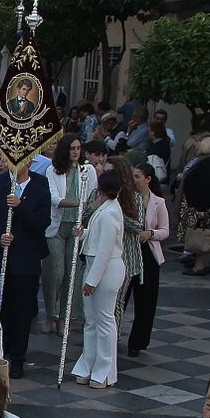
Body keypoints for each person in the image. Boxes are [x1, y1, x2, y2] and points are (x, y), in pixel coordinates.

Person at [0, 156, 52, 379]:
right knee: (1, 309)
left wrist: (20, 207)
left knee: (22, 311)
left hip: (26, 260)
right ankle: (0, 353)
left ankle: (18, 357)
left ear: (29, 162)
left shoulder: (40, 185)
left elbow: (42, 223)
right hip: (1, 259)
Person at [70, 167, 128, 389]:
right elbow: (98, 237)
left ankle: (104, 371)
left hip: (105, 269)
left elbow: (105, 249)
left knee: (104, 321)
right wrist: (83, 234)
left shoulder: (111, 211)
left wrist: (92, 281)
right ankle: (87, 365)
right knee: (92, 321)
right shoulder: (105, 208)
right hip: (96, 265)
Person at [42, 136, 94, 335]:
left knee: (72, 274)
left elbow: (92, 195)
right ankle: (50, 313)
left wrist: (85, 209)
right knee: (55, 272)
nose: (76, 152)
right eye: (72, 148)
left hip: (77, 227)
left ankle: (65, 317)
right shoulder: (52, 170)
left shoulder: (87, 170)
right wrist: (78, 203)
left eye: (79, 148)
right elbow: (54, 198)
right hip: (57, 227)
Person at [126, 163, 170, 357]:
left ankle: (137, 342)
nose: (134, 180)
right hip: (129, 253)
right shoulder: (127, 199)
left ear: (148, 179)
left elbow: (165, 230)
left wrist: (150, 233)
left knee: (146, 301)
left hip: (148, 255)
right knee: (121, 297)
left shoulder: (158, 202)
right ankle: (111, 337)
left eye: (137, 176)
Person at [178, 137, 210, 277]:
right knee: (206, 236)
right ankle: (204, 264)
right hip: (208, 206)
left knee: (201, 236)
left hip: (203, 207)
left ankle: (199, 266)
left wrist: (202, 208)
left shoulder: (206, 165)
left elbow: (206, 187)